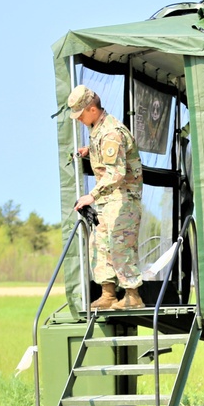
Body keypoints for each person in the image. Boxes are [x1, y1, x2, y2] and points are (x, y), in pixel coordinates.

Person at [69, 84, 145, 310]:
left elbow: (117, 173)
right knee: (100, 245)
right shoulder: (100, 130)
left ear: (92, 109)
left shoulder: (112, 132)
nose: (79, 119)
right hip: (109, 201)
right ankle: (108, 294)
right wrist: (89, 150)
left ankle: (133, 296)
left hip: (122, 200)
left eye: (80, 114)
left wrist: (90, 196)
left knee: (120, 245)